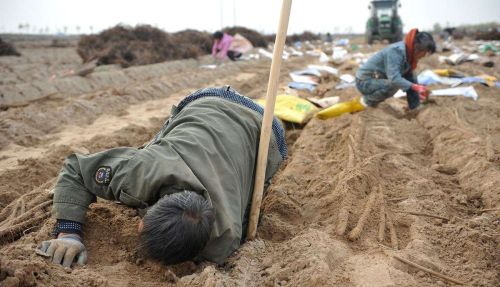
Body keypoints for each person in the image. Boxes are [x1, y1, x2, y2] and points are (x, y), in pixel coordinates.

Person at [37, 86, 288, 268]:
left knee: (260, 182)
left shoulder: (226, 239)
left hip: (268, 130)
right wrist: (68, 232)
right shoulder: (142, 170)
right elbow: (75, 168)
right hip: (207, 101)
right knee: (153, 147)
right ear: (142, 223)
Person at [355, 29, 436, 111]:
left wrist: (415, 89)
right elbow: (394, 78)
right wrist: (413, 86)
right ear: (417, 47)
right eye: (425, 52)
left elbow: (410, 80)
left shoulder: (409, 54)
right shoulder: (396, 51)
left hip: (378, 78)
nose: (425, 55)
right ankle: (367, 101)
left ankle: (415, 107)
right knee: (394, 84)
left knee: (411, 75)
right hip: (364, 81)